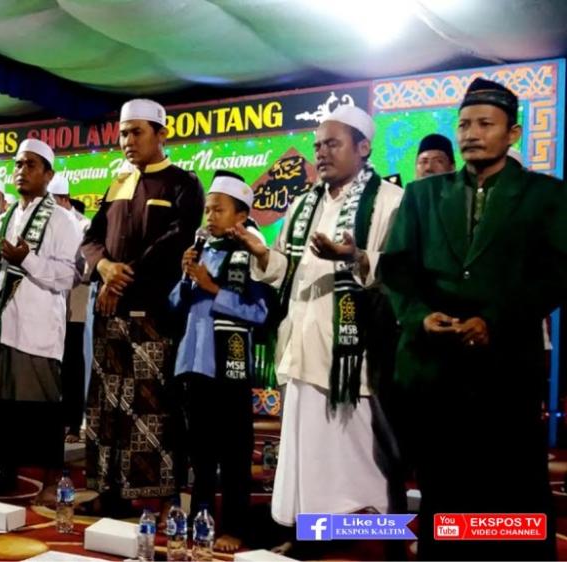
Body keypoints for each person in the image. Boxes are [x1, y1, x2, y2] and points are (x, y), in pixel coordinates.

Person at [381, 78, 567, 561]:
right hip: (436, 373)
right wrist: (420, 317)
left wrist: (495, 321)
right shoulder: (423, 195)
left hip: (506, 370)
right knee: (445, 490)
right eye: (464, 124)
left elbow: (556, 274)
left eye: (485, 123)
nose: (471, 133)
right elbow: (396, 270)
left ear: (514, 133)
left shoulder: (546, 195)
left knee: (514, 492)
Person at [232, 105, 404, 546]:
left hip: (354, 357)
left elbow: (402, 271)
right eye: (317, 146)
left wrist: (354, 257)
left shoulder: (389, 201)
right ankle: (310, 533)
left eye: (333, 143)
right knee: (306, 453)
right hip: (303, 343)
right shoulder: (304, 204)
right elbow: (287, 268)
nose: (321, 153)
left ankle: (364, 540)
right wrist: (261, 253)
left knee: (355, 456)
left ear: (363, 148)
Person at [81, 99, 205, 517]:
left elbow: (174, 239)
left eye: (137, 132)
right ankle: (108, 490)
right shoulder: (117, 183)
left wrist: (121, 275)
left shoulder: (183, 184)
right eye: (123, 133)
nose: (128, 141)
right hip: (108, 314)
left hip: (153, 316)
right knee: (105, 407)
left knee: (150, 408)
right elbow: (92, 236)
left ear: (161, 134)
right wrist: (102, 265)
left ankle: (149, 495)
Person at [0, 139, 82, 503]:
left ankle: (51, 481)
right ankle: (6, 472)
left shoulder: (63, 222)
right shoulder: (3, 218)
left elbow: (67, 278)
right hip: (1, 326)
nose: (22, 171)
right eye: (18, 164)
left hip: (37, 330)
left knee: (41, 408)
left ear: (49, 175)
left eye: (31, 165)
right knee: (3, 406)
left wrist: (27, 260)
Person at [171, 172, 269, 552]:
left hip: (228, 367)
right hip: (193, 365)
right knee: (201, 453)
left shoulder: (254, 255)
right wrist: (185, 278)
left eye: (218, 210)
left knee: (234, 453)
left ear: (241, 216)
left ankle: (235, 526)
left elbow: (260, 312)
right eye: (207, 209)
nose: (209, 216)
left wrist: (214, 288)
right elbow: (175, 306)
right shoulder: (201, 250)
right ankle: (201, 519)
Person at [49, 174, 90, 442]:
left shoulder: (85, 226)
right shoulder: (48, 224)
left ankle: (74, 424)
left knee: (73, 365)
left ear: (63, 199)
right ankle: (56, 422)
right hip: (49, 306)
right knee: (53, 365)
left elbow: (86, 269)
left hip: (75, 305)